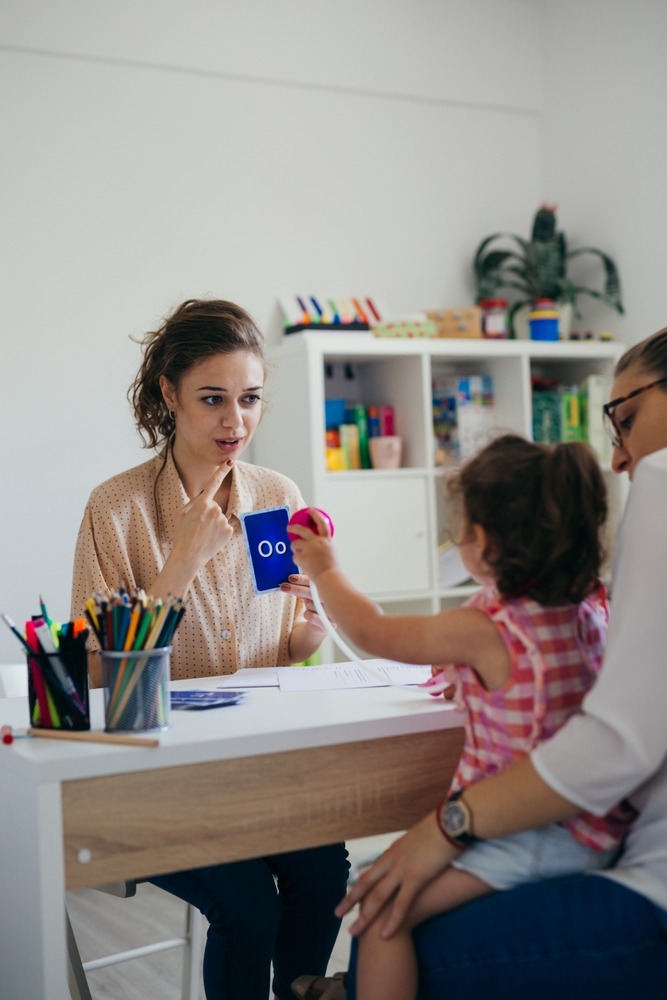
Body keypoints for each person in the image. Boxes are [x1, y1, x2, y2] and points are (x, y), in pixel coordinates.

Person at [294, 326, 667, 1000]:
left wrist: (322, 567)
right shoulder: (589, 605)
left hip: (535, 834)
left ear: (482, 542)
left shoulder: (483, 628)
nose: (621, 456)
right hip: (595, 828)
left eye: (457, 529)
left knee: (375, 915)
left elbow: (371, 630)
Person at [70, 298, 349, 1000]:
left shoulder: (273, 495)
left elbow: (283, 646)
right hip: (156, 777)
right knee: (249, 906)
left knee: (323, 873)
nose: (235, 422)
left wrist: (310, 629)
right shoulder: (116, 509)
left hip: (259, 760)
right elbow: (93, 673)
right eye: (213, 399)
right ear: (170, 394)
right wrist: (179, 568)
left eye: (249, 400)